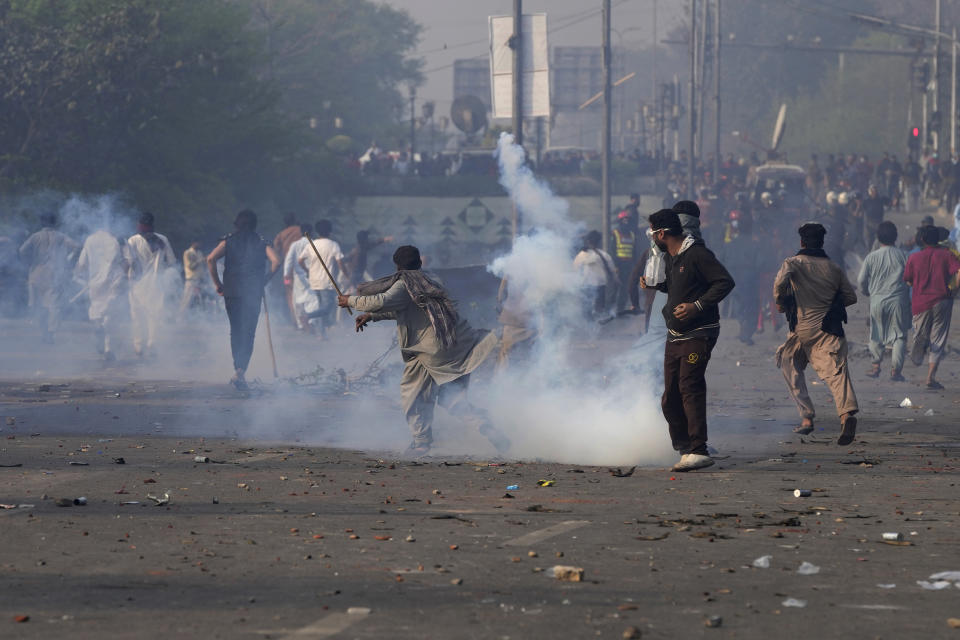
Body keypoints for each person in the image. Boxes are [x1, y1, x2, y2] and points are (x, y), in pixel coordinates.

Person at [337, 245, 510, 455]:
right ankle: (487, 427)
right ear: (420, 262)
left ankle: (421, 443)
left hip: (430, 351)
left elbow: (382, 301)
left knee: (413, 395)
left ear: (397, 267)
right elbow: (407, 310)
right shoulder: (431, 280)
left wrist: (350, 301)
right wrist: (372, 316)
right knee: (451, 398)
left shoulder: (404, 285)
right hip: (454, 344)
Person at [639, 209, 735, 472]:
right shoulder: (672, 258)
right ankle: (684, 448)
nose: (652, 239)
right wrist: (654, 286)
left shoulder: (697, 254)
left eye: (653, 233)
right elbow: (676, 285)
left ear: (662, 233)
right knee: (670, 396)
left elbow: (725, 282)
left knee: (689, 386)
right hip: (676, 335)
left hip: (700, 332)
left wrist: (697, 306)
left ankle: (698, 449)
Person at [774, 223, 859, 445]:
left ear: (802, 242)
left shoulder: (792, 263)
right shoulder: (834, 268)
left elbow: (779, 284)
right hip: (827, 330)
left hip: (800, 330)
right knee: (837, 373)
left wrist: (782, 302)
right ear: (822, 242)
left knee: (789, 365)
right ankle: (846, 415)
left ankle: (806, 417)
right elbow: (851, 297)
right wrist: (831, 303)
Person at [206, 209, 280, 391]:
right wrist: (264, 280)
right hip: (252, 291)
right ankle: (240, 370)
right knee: (248, 332)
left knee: (236, 330)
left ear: (236, 224)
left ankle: (238, 370)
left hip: (231, 290)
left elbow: (210, 259)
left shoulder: (228, 241)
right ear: (254, 224)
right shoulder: (261, 241)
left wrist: (218, 284)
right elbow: (276, 262)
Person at [903, 224, 960, 389]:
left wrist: (917, 283)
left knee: (920, 333)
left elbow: (907, 280)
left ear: (922, 239)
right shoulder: (947, 254)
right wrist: (955, 290)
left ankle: (920, 341)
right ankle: (930, 377)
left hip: (920, 302)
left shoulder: (914, 258)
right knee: (939, 338)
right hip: (943, 299)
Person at [857, 222, 910, 381]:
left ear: (878, 238)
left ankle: (875, 367)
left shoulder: (871, 257)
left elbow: (861, 280)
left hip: (877, 300)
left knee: (876, 334)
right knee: (899, 336)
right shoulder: (903, 256)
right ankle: (896, 371)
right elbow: (911, 278)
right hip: (898, 301)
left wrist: (867, 292)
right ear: (895, 237)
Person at [18, 213, 80, 343]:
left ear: (42, 223)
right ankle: (51, 333)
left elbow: (22, 250)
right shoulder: (61, 236)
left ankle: (43, 332)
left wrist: (30, 261)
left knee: (38, 305)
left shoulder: (35, 236)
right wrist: (67, 259)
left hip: (36, 273)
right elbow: (77, 246)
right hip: (54, 275)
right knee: (53, 306)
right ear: (55, 223)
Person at [126, 212, 177, 357]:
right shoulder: (162, 239)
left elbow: (129, 263)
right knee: (154, 315)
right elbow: (172, 262)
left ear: (140, 225)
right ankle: (151, 343)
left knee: (137, 316)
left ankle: (138, 346)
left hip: (136, 284)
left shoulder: (132, 241)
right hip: (156, 283)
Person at [74, 225, 127, 360]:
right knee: (110, 314)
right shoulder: (116, 240)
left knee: (96, 310)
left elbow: (81, 263)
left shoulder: (90, 240)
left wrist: (79, 275)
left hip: (95, 282)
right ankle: (108, 347)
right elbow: (128, 261)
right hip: (114, 281)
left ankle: (98, 326)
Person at [298, 219, 347, 339]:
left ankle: (321, 334)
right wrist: (346, 274)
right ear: (330, 231)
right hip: (327, 281)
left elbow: (300, 260)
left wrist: (307, 271)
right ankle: (307, 316)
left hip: (314, 280)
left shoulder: (311, 244)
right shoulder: (333, 244)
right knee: (328, 307)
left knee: (321, 307)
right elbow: (340, 262)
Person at [573, 230, 617, 319]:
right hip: (600, 285)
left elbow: (575, 269)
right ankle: (597, 326)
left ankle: (588, 327)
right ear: (599, 242)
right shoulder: (604, 255)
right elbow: (612, 270)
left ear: (588, 241)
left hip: (585, 285)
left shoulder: (581, 255)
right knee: (599, 309)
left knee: (586, 310)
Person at [283, 224, 318, 330]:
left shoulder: (295, 245)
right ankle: (311, 322)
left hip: (298, 277)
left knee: (298, 300)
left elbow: (289, 260)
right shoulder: (314, 243)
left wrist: (286, 274)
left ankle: (301, 324)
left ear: (301, 232)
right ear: (311, 231)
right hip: (312, 275)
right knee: (312, 300)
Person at [273, 213, 301, 326]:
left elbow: (276, 249)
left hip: (287, 270)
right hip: (302, 267)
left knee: (290, 293)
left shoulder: (281, 234)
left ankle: (294, 319)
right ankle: (304, 320)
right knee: (303, 292)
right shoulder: (301, 230)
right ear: (295, 220)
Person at [611, 211, 637, 311]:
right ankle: (610, 309)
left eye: (627, 219)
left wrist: (635, 265)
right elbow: (613, 250)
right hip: (618, 265)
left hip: (628, 265)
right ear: (620, 221)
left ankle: (620, 309)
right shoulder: (615, 233)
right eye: (624, 219)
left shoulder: (632, 235)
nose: (626, 221)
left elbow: (634, 251)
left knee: (626, 287)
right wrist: (616, 266)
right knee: (615, 287)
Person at [179, 241, 206, 318]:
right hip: (191, 279)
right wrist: (201, 260)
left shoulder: (199, 252)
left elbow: (201, 267)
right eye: (198, 242)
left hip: (199, 279)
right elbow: (191, 266)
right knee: (186, 300)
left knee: (200, 300)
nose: (199, 244)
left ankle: (198, 317)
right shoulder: (188, 253)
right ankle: (180, 317)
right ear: (193, 243)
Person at [860, 185, 890, 252]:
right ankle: (870, 254)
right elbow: (861, 210)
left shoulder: (881, 199)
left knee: (880, 240)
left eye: (875, 191)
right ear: (869, 192)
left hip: (879, 222)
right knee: (870, 240)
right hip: (869, 223)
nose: (874, 192)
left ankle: (879, 253)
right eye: (872, 191)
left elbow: (889, 202)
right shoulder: (866, 201)